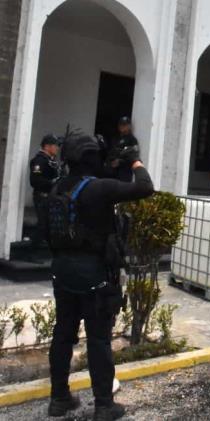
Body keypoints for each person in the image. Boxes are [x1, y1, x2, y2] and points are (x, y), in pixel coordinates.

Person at [46, 132, 154, 420]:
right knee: (98, 340)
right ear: (88, 158)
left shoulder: (58, 187)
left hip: (62, 271)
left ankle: (58, 400)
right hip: (93, 274)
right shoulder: (98, 188)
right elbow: (145, 187)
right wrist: (135, 162)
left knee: (62, 335)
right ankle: (104, 405)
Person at [29, 134, 61, 247]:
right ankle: (32, 251)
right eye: (55, 145)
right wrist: (53, 182)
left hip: (51, 196)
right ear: (47, 146)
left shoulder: (51, 160)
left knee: (49, 224)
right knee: (43, 224)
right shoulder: (39, 160)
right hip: (42, 196)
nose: (57, 148)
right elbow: (35, 180)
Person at [105, 117, 139, 182]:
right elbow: (111, 152)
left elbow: (134, 155)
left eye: (125, 125)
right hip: (112, 171)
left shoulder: (132, 140)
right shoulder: (115, 139)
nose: (122, 127)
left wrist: (120, 162)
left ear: (129, 126)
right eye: (121, 125)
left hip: (124, 172)